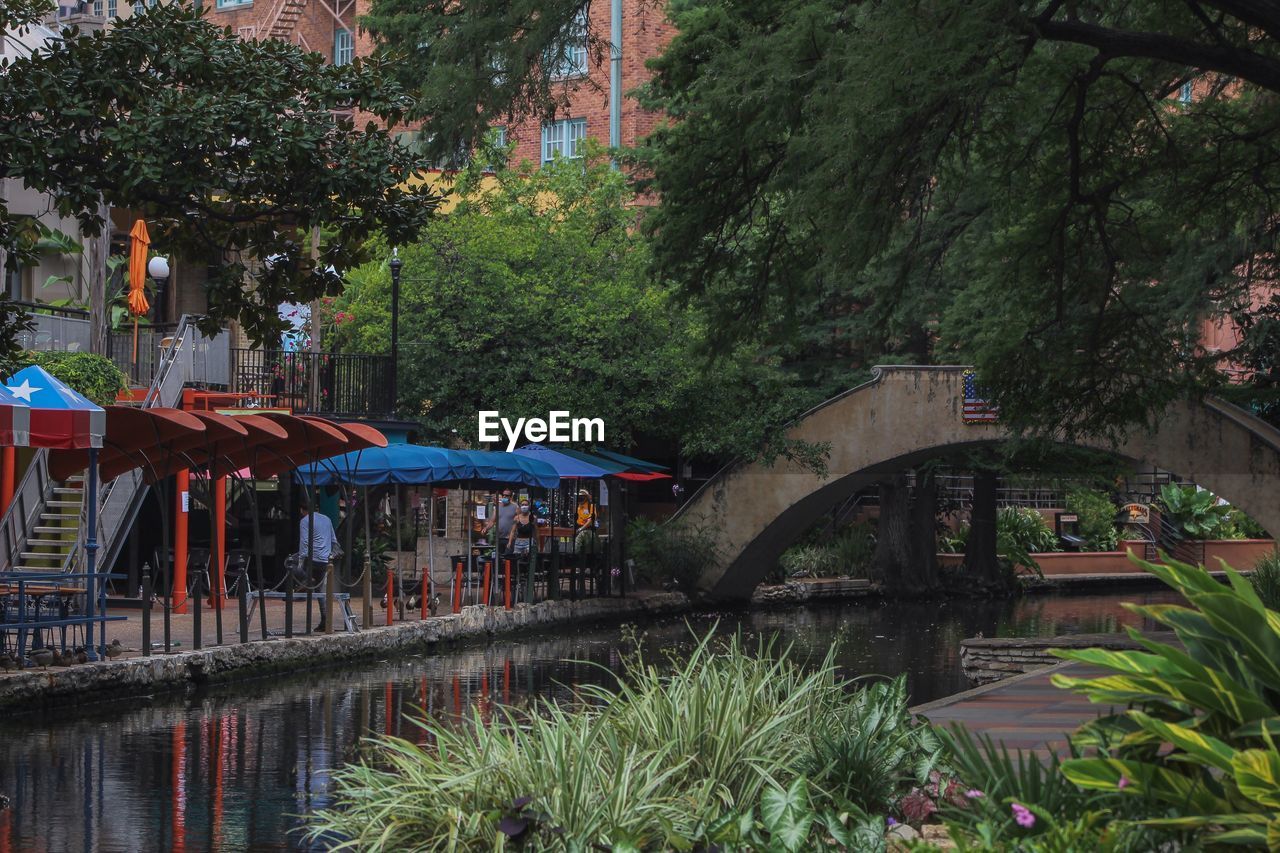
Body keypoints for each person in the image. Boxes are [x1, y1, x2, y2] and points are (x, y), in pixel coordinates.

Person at [299, 495, 337, 631]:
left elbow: (304, 543)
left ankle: (304, 583)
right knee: (320, 590)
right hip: (325, 560)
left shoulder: (305, 521)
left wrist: (300, 562)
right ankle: (325, 619)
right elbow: (333, 540)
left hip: (312, 559)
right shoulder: (327, 519)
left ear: (302, 510)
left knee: (294, 570)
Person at [483, 488, 520, 553]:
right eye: (503, 495)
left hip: (510, 538)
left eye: (507, 495)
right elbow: (492, 521)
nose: (504, 497)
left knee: (508, 558)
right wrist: (486, 528)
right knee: (499, 558)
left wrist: (518, 519)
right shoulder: (497, 507)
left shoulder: (515, 507)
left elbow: (519, 520)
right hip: (499, 538)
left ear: (511, 497)